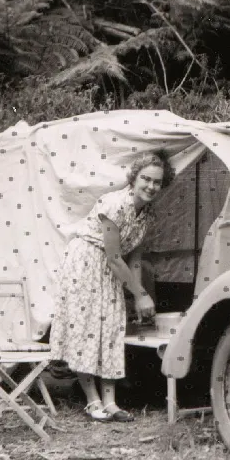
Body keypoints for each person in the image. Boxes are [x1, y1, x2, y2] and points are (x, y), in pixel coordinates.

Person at [50, 151, 175, 422]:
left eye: (157, 182)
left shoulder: (148, 216)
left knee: (112, 325)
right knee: (86, 328)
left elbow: (136, 259)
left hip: (110, 267)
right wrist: (139, 296)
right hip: (85, 263)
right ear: (134, 178)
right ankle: (92, 400)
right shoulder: (115, 204)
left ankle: (111, 402)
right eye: (146, 179)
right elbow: (114, 256)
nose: (151, 186)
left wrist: (142, 294)